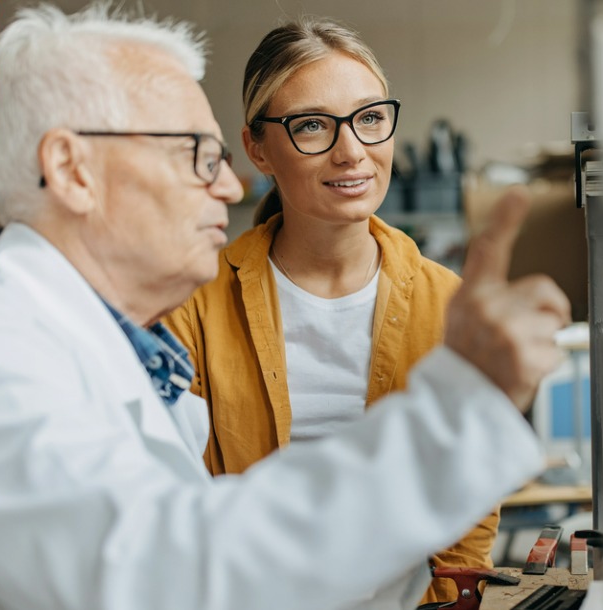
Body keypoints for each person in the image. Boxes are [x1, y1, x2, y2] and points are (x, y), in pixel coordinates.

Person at [0, 4, 570, 610]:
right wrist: (460, 410)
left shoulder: (112, 356)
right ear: (74, 170)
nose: (228, 188)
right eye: (197, 154)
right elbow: (180, 571)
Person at [160, 19, 493, 605]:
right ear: (257, 148)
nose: (352, 152)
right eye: (313, 125)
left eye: (369, 119)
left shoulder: (448, 303)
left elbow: (467, 515)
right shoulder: (193, 303)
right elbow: (172, 502)